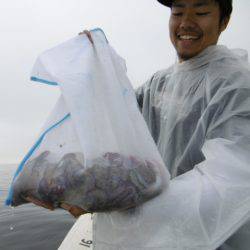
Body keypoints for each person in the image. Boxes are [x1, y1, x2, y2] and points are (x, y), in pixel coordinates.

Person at [28, 0, 250, 249]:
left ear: (224, 21)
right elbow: (118, 114)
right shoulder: (160, 82)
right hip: (155, 238)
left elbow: (228, 184)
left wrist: (121, 209)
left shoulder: (237, 85)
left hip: (212, 240)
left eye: (200, 12)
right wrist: (98, 65)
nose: (186, 22)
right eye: (177, 12)